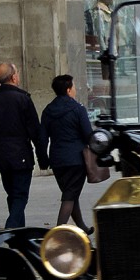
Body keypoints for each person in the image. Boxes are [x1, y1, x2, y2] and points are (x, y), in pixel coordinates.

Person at [0, 61, 48, 229]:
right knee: (20, 196)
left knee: (13, 196)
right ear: (13, 77)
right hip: (21, 157)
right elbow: (35, 131)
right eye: (17, 73)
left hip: (1, 158)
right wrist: (43, 159)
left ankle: (18, 234)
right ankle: (10, 229)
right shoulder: (23, 99)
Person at [40, 74, 95, 232]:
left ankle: (82, 227)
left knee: (70, 193)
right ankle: (59, 233)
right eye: (74, 86)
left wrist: (43, 160)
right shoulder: (78, 109)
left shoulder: (48, 111)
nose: (75, 89)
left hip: (57, 159)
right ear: (69, 89)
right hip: (76, 159)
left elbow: (42, 139)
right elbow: (88, 135)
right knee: (69, 195)